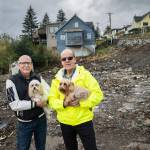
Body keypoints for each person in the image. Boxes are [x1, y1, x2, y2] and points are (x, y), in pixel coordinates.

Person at [48, 49, 104, 150]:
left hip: (84, 120)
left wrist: (82, 103)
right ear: (61, 62)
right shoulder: (57, 79)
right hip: (65, 122)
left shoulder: (85, 75)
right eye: (64, 59)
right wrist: (64, 103)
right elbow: (51, 100)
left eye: (70, 58)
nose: (67, 60)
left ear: (75, 59)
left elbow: (98, 94)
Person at [6, 55, 49, 150]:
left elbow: (48, 91)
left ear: (32, 65)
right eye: (23, 63)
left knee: (41, 147)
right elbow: (14, 104)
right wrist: (34, 104)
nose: (26, 65)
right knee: (23, 147)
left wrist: (47, 100)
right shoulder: (11, 81)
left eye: (28, 63)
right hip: (24, 123)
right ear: (18, 65)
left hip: (41, 120)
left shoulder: (38, 77)